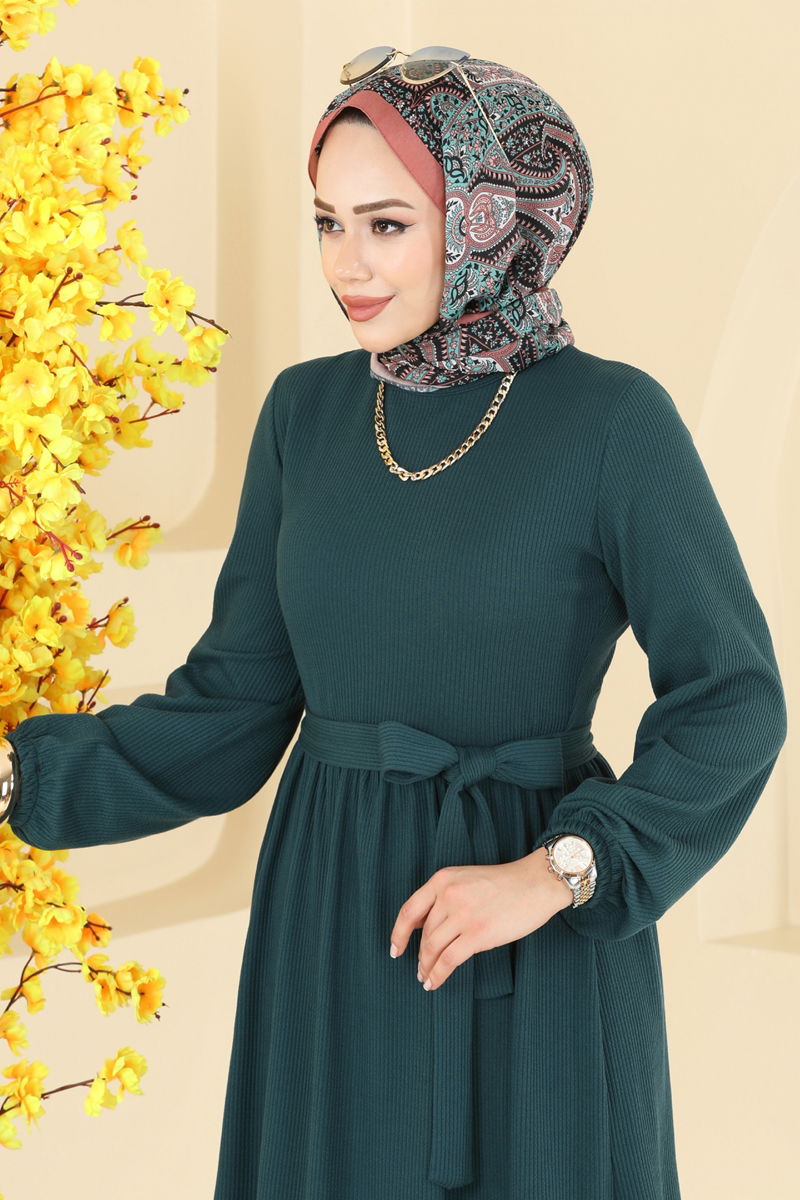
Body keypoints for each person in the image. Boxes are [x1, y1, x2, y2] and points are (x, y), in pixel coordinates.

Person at [0, 48, 788, 1200]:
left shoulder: (613, 422)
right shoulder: (305, 414)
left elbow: (732, 698)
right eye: (327, 223)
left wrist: (558, 870)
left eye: (385, 226)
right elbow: (232, 708)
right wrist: (20, 775)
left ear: (486, 220)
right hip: (333, 920)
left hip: (533, 927)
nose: (345, 266)